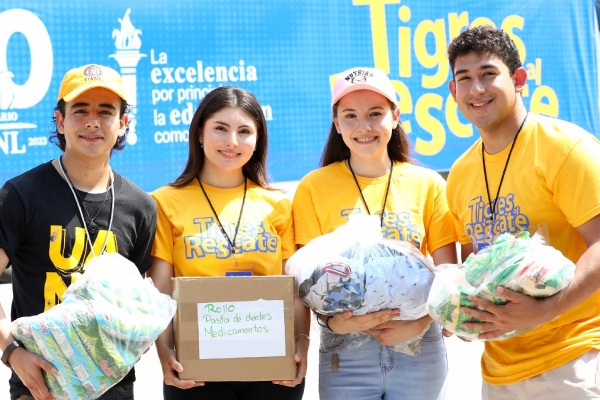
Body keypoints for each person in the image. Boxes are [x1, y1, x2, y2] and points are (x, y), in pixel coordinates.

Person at [446, 25, 600, 399]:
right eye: (464, 78)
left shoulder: (566, 149)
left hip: (573, 358)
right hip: (498, 373)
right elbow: (474, 265)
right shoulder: (460, 174)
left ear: (518, 79)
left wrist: (546, 310)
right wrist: (459, 313)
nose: (476, 89)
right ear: (453, 91)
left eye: (488, 74)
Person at [292, 66, 458, 400]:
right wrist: (331, 323)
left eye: (375, 113)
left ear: (395, 117)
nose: (364, 126)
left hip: (418, 347)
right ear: (336, 124)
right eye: (350, 115)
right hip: (345, 351)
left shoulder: (426, 184)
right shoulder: (314, 186)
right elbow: (303, 279)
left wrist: (421, 322)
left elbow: (449, 274)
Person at [0, 64, 157, 400]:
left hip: (114, 387)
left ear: (123, 124)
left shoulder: (141, 206)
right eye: (80, 110)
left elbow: (140, 303)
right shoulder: (21, 195)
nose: (92, 122)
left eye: (105, 111)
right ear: (60, 120)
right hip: (40, 387)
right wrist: (11, 351)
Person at [147, 86, 309, 400]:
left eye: (244, 131)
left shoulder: (280, 205)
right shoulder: (164, 203)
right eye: (220, 128)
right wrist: (164, 352)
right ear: (199, 133)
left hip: (272, 366)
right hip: (196, 370)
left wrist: (302, 342)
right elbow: (160, 290)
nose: (232, 142)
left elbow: (296, 288)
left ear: (258, 139)